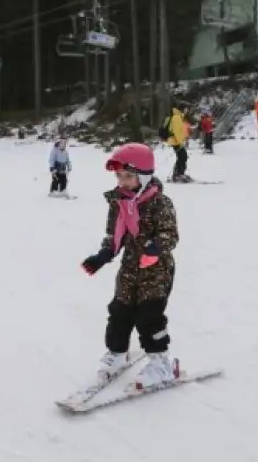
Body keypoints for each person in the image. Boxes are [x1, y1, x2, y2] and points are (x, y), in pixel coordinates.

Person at [80, 143, 180, 390]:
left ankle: (162, 364)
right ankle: (116, 354)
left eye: (128, 176)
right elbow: (114, 235)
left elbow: (171, 234)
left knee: (149, 316)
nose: (122, 181)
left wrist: (154, 248)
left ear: (144, 176)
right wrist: (103, 255)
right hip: (128, 269)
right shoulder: (119, 202)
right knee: (119, 312)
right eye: (119, 176)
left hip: (156, 270)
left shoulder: (160, 203)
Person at [159, 105, 191, 182]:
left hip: (175, 140)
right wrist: (181, 142)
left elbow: (180, 131)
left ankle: (178, 174)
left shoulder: (178, 116)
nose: (187, 111)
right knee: (183, 156)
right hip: (175, 141)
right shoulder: (176, 117)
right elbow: (177, 131)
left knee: (182, 156)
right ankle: (179, 175)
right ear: (182, 109)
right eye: (186, 109)